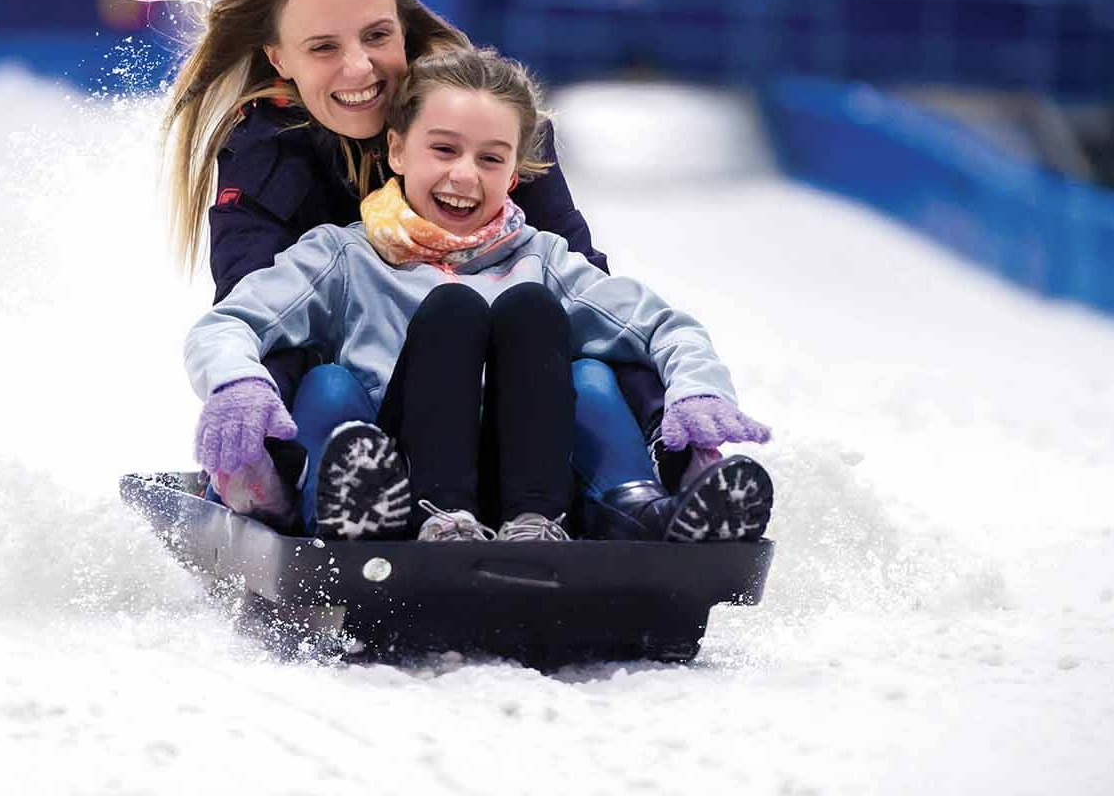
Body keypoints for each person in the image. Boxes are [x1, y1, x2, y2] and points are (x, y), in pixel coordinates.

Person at [160, 0, 723, 513]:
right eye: (324, 48)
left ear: (403, 30)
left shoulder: (490, 126)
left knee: (583, 348)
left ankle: (673, 472)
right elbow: (249, 310)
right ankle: (283, 485)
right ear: (281, 58)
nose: (358, 68)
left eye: (377, 36)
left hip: (516, 405)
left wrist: (680, 404)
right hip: (365, 397)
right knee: (307, 364)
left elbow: (593, 297)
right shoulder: (268, 155)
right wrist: (239, 390)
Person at [186, 47, 773, 543]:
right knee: (346, 375)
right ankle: (373, 513)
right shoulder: (345, 256)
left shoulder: (542, 259)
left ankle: (633, 511)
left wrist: (697, 391)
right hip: (397, 485)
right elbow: (231, 322)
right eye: (443, 150)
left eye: (490, 158)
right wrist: (236, 382)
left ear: (513, 173)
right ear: (396, 151)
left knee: (572, 356)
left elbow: (663, 328)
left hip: (533, 492)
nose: (465, 175)